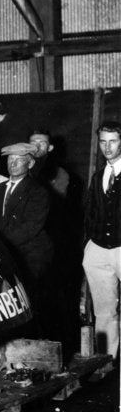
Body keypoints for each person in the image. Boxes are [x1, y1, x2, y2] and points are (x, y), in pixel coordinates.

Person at [0, 143, 52, 335]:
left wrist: (0, 246)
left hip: (30, 254)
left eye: (18, 160)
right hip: (5, 250)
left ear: (30, 164)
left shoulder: (38, 191)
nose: (13, 164)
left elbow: (29, 228)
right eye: (10, 160)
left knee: (27, 301)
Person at [82, 121, 121, 358]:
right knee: (104, 311)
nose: (107, 147)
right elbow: (90, 212)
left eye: (113, 141)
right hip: (98, 249)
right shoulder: (99, 176)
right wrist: (90, 244)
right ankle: (107, 361)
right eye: (103, 142)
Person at [29, 129, 71, 200]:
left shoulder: (60, 173)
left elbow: (56, 202)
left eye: (42, 143)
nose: (37, 147)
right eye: (33, 143)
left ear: (50, 148)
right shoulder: (17, 167)